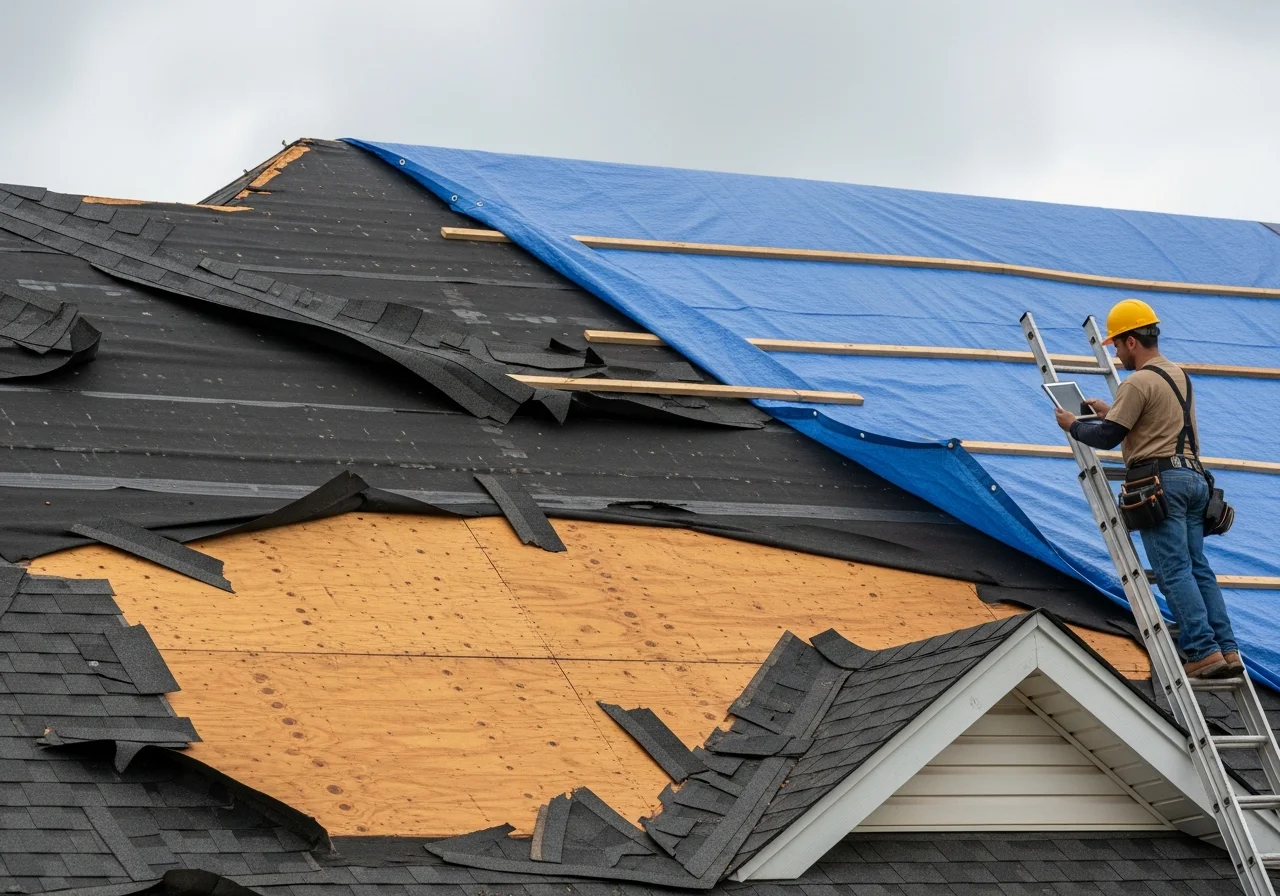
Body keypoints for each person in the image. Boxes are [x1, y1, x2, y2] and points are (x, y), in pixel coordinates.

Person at [1053, 298, 1240, 679]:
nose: (1118, 353)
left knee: (1173, 570)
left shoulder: (1137, 382)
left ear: (1132, 341)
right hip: (1194, 480)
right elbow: (1154, 425)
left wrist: (1073, 425)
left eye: (1118, 345)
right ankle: (1228, 649)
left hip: (1161, 484)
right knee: (1198, 568)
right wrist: (1114, 410)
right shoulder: (1178, 376)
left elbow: (1107, 438)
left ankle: (1202, 651)